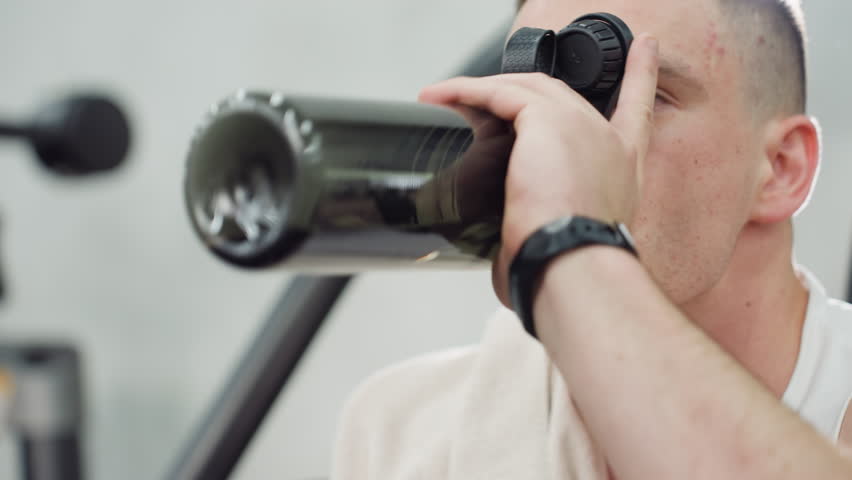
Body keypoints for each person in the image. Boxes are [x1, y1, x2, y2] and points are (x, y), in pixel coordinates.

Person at [331, 0, 852, 478]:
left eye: (643, 95)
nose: (554, 138)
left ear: (781, 168)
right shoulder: (401, 432)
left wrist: (571, 244)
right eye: (534, 95)